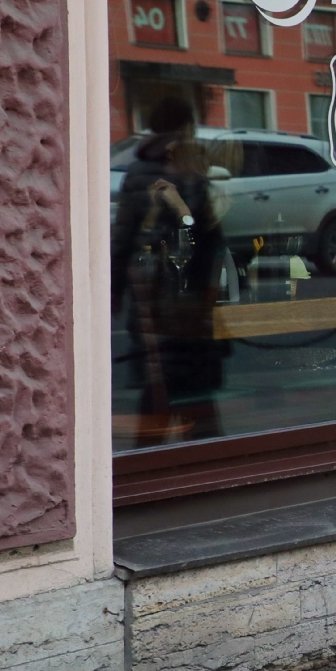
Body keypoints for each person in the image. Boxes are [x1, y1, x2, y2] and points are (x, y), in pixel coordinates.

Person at [111, 96, 229, 444]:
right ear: (186, 127)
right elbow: (206, 234)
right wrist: (216, 287)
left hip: (151, 295)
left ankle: (150, 464)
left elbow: (124, 236)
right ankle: (205, 468)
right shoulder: (188, 167)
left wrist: (116, 288)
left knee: (158, 382)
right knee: (196, 391)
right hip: (188, 294)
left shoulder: (137, 169)